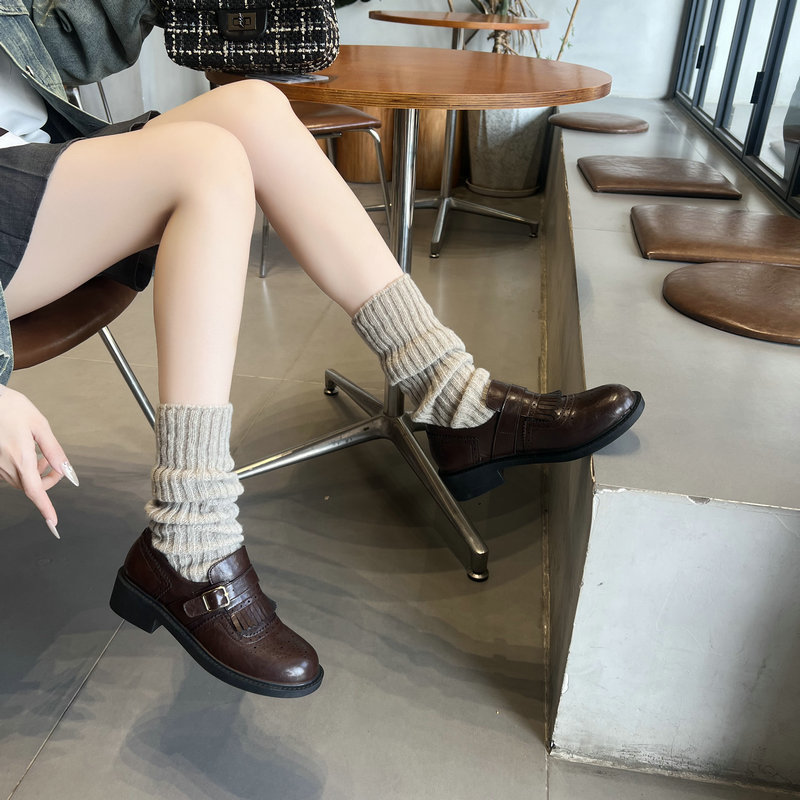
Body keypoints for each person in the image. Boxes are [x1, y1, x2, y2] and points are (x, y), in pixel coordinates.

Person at [0, 1, 643, 698]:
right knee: (206, 162)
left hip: (29, 159)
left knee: (253, 106)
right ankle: (190, 532)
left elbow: (65, 40)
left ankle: (450, 393)